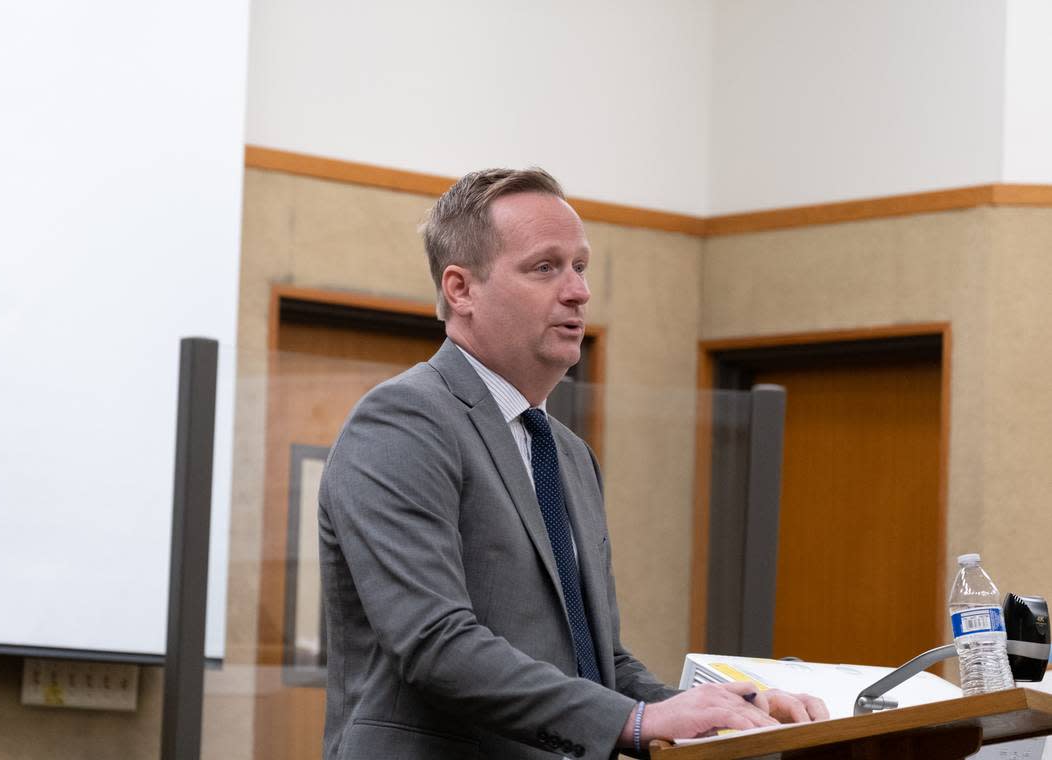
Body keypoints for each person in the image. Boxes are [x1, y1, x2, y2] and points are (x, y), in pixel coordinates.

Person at [317, 168, 827, 759]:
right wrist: (635, 720)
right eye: (545, 267)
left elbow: (598, 660)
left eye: (580, 266)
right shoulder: (404, 421)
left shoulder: (567, 453)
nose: (578, 291)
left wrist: (727, 712)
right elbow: (436, 643)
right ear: (460, 290)